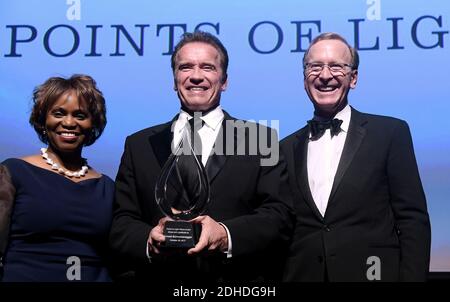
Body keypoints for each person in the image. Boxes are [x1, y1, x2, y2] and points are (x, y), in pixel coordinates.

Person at [109, 31, 294, 281]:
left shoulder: (260, 138)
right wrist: (148, 240)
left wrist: (225, 234)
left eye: (207, 67)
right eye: (185, 67)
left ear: (224, 80)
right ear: (174, 80)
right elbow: (122, 221)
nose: (196, 76)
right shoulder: (139, 144)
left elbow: (279, 215)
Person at [280, 32, 431, 282]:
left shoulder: (390, 133)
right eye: (315, 66)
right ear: (304, 78)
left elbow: (413, 220)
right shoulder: (284, 148)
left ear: (354, 78)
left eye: (337, 67)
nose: (325, 75)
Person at [0, 74, 114, 282]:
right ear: (43, 120)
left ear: (93, 124)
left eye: (80, 115)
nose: (69, 122)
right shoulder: (13, 172)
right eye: (59, 113)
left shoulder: (107, 187)